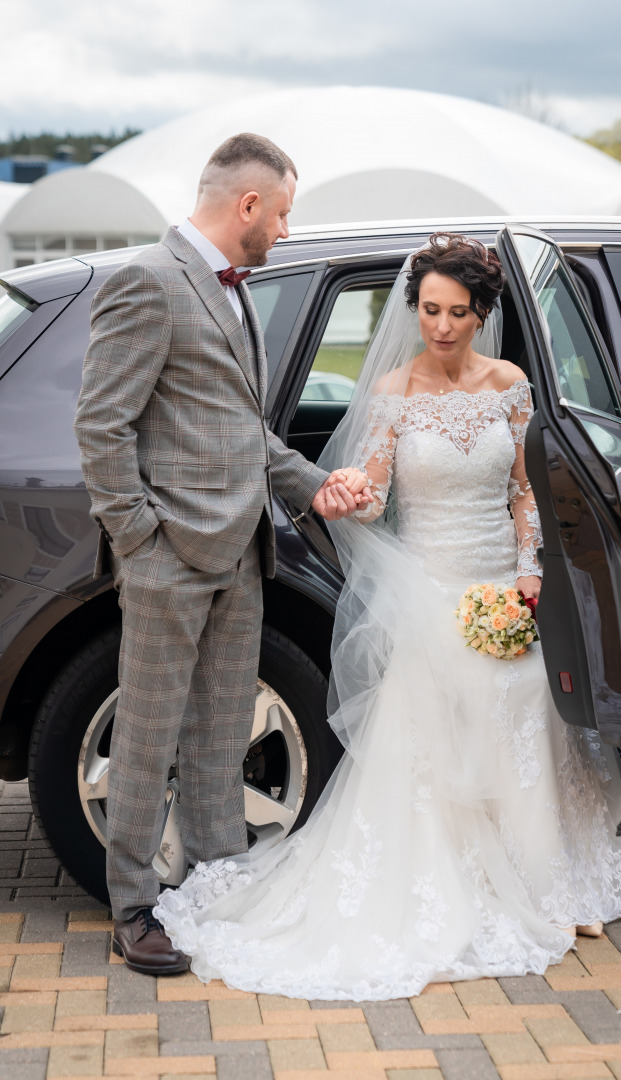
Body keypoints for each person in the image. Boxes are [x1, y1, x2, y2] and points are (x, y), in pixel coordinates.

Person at [154, 233, 621, 999]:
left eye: (456, 312)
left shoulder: (510, 383)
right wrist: (345, 489)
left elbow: (523, 490)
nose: (440, 326)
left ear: (482, 314)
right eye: (427, 310)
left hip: (501, 585)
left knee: (526, 716)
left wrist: (529, 573)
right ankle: (466, 887)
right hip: (429, 588)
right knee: (441, 728)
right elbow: (377, 496)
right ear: (413, 308)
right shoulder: (393, 390)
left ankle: (554, 887)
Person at [74, 133, 370, 976]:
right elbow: (101, 425)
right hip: (171, 557)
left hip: (243, 555)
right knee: (148, 733)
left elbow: (240, 432)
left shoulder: (234, 292)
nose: (283, 229)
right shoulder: (149, 281)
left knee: (217, 731)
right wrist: (141, 541)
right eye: (280, 213)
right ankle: (133, 905)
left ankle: (211, 884)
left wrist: (315, 486)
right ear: (247, 204)